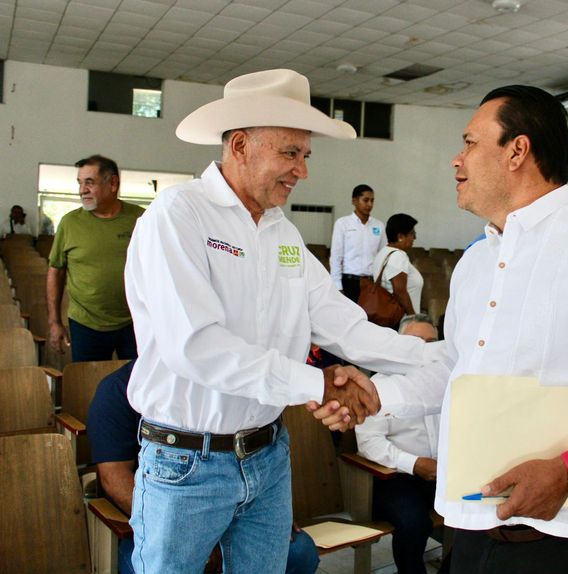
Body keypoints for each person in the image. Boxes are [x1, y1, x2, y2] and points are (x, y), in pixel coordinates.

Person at [312, 84, 568, 573]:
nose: (456, 161)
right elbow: (458, 369)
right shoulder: (477, 262)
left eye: (470, 143)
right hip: (475, 519)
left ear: (517, 150)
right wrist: (378, 395)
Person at [123, 69, 437, 574]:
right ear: (241, 145)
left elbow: (344, 325)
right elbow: (198, 346)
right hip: (186, 464)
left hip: (268, 457)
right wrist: (321, 384)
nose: (302, 171)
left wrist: (438, 355)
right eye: (290, 153)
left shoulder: (282, 233)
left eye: (305, 155)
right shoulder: (177, 215)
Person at [86, 361, 320, 574]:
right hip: (157, 520)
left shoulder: (215, 386)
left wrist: (265, 507)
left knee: (301, 552)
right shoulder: (116, 390)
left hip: (235, 505)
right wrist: (205, 534)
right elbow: (112, 477)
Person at [356, 314, 440, 574]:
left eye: (432, 342)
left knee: (476, 513)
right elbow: (369, 443)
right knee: (413, 522)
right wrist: (414, 464)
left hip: (441, 473)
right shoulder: (379, 385)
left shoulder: (446, 383)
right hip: (394, 477)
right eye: (415, 342)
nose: (424, 350)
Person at [47, 155, 143, 362]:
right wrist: (54, 321)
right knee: (89, 387)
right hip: (86, 325)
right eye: (80, 183)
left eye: (89, 183)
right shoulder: (70, 223)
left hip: (135, 321)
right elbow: (56, 270)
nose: (82, 190)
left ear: (113, 183)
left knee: (137, 387)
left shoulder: (141, 219)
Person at [330, 184, 386, 302]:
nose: (370, 204)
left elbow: (383, 257)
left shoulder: (379, 226)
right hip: (349, 281)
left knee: (370, 318)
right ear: (354, 201)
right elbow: (336, 257)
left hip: (371, 283)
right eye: (365, 200)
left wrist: (380, 284)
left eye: (372, 201)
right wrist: (337, 286)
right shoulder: (343, 223)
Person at [372, 213, 423, 317]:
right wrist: (413, 318)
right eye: (412, 233)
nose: (415, 237)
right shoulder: (399, 256)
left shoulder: (383, 253)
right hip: (401, 320)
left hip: (388, 316)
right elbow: (400, 292)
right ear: (400, 236)